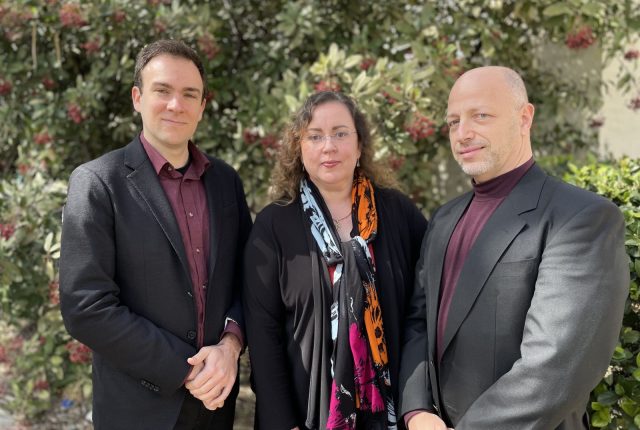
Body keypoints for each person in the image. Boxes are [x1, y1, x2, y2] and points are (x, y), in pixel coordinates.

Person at [398, 66, 629, 430]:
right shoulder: (444, 219)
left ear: (525, 118)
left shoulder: (581, 219)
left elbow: (554, 371)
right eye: (453, 121)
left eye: (481, 116)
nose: (463, 133)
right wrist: (416, 411)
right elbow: (417, 324)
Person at [59, 39, 252, 430]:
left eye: (189, 94)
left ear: (202, 106)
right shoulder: (98, 183)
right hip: (137, 409)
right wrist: (185, 369)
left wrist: (230, 347)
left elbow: (248, 281)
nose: (175, 105)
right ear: (137, 97)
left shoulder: (226, 182)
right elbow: (86, 307)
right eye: (162, 91)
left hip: (215, 406)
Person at [243, 91, 428, 430]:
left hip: (395, 414)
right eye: (315, 136)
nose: (328, 146)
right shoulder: (273, 226)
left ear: (359, 147)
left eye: (341, 133)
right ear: (299, 149)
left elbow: (426, 310)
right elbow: (263, 335)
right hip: (305, 416)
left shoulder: (399, 214)